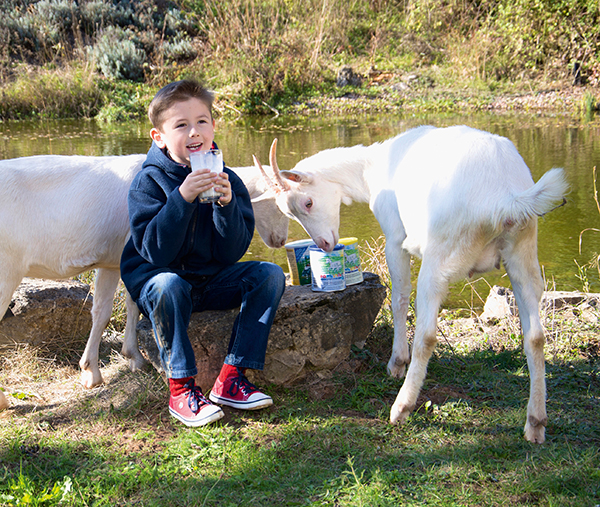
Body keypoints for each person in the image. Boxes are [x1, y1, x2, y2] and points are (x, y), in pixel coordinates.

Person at [120, 79, 286, 427]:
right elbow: (155, 252)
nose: (194, 131)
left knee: (268, 275)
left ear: (213, 126)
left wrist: (226, 206)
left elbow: (231, 254)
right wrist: (181, 199)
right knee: (169, 285)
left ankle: (231, 378)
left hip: (209, 279)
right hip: (159, 280)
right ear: (159, 137)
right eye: (181, 125)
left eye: (202, 121)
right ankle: (181, 389)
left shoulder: (226, 178)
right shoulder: (149, 181)